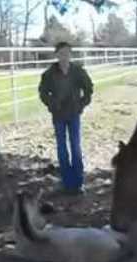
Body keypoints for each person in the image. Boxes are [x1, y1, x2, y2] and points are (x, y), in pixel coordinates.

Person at [38, 42, 93, 195]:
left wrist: (82, 104)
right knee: (62, 148)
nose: (64, 56)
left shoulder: (78, 71)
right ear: (57, 55)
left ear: (70, 55)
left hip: (74, 114)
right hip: (59, 115)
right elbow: (43, 93)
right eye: (61, 53)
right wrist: (52, 104)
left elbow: (89, 88)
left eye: (67, 53)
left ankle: (78, 182)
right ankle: (67, 183)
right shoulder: (49, 74)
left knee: (75, 147)